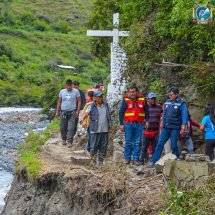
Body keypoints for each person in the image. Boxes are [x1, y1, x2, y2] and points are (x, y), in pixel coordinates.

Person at [146, 87, 188, 167]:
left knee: (173, 145)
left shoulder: (181, 103)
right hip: (166, 127)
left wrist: (183, 126)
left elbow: (184, 115)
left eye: (171, 95)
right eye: (169, 95)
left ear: (177, 94)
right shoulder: (167, 102)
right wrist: (162, 123)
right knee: (160, 144)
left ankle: (177, 157)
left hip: (175, 128)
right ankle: (153, 161)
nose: (170, 96)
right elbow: (164, 114)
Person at [119, 85, 149, 165]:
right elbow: (121, 112)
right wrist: (121, 124)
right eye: (131, 92)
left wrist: (147, 121)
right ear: (129, 92)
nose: (132, 93)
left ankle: (135, 159)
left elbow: (147, 111)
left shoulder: (143, 99)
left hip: (139, 124)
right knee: (128, 142)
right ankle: (127, 159)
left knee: (137, 142)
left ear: (137, 92)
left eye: (134, 92)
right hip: (128, 124)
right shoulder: (126, 100)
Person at [81, 92, 112, 166]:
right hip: (94, 130)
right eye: (99, 97)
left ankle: (101, 161)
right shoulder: (91, 105)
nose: (101, 98)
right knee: (93, 146)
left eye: (101, 97)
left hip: (104, 129)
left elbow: (109, 116)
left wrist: (110, 126)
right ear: (95, 98)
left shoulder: (106, 105)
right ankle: (93, 161)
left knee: (103, 146)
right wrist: (83, 120)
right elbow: (85, 114)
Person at [56, 79, 81, 147]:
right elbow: (59, 101)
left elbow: (79, 101)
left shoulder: (76, 91)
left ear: (72, 85)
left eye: (70, 86)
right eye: (68, 86)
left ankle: (69, 141)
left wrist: (77, 111)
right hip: (63, 112)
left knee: (71, 127)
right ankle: (64, 139)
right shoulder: (62, 92)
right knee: (63, 127)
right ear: (65, 85)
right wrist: (57, 111)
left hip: (72, 111)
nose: (69, 87)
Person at [139, 92, 163, 164]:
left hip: (155, 131)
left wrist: (162, 122)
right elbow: (140, 116)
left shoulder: (159, 107)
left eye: (154, 99)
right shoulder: (144, 107)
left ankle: (154, 161)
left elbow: (163, 115)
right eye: (151, 99)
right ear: (148, 99)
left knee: (155, 147)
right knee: (144, 147)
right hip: (146, 131)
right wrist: (145, 121)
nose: (153, 100)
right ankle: (141, 160)